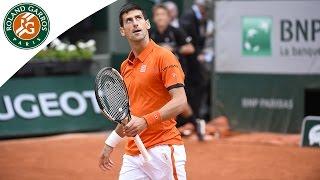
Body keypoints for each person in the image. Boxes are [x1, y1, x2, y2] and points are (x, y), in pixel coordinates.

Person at [99, 3, 187, 180]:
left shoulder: (164, 56)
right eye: (129, 21)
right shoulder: (125, 66)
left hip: (164, 148)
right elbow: (130, 115)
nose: (135, 23)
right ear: (123, 31)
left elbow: (180, 101)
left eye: (138, 18)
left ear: (147, 24)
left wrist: (146, 121)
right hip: (134, 154)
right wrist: (110, 144)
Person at [150, 4, 205, 141]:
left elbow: (190, 48)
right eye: (157, 15)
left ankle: (196, 123)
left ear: (169, 17)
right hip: (156, 74)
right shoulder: (151, 34)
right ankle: (160, 133)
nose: (160, 17)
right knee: (159, 103)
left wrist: (173, 49)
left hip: (175, 72)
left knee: (180, 104)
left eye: (163, 14)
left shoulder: (176, 31)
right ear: (154, 18)